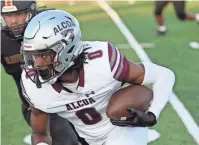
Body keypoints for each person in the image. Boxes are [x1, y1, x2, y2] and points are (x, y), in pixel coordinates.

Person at [20, 10, 175, 145]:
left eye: (43, 55)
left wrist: (153, 113)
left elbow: (164, 75)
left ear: (66, 49)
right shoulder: (33, 86)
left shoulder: (102, 61)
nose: (36, 64)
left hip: (124, 128)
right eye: (32, 57)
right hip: (90, 139)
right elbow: (40, 133)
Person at [1, 1, 86, 145]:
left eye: (18, 14)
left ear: (31, 11)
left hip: (72, 96)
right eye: (7, 16)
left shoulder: (51, 23)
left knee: (90, 139)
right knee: (67, 142)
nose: (13, 21)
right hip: (37, 104)